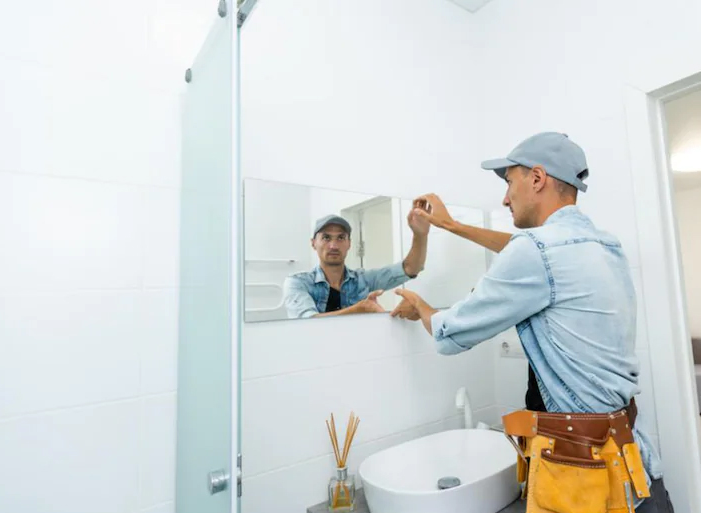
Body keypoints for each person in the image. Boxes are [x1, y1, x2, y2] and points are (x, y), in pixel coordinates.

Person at [391, 132, 673, 512]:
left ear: (537, 178)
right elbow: (528, 250)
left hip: (587, 480)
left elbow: (449, 332)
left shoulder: (536, 251)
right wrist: (453, 226)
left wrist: (420, 305)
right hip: (634, 464)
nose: (505, 198)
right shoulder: (603, 244)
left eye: (509, 182)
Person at [283, 209, 429, 319]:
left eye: (341, 238)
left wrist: (420, 235)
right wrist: (358, 310)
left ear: (349, 244)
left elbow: (410, 268)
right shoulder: (298, 283)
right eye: (326, 238)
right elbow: (307, 323)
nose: (333, 245)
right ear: (313, 243)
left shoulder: (363, 280)